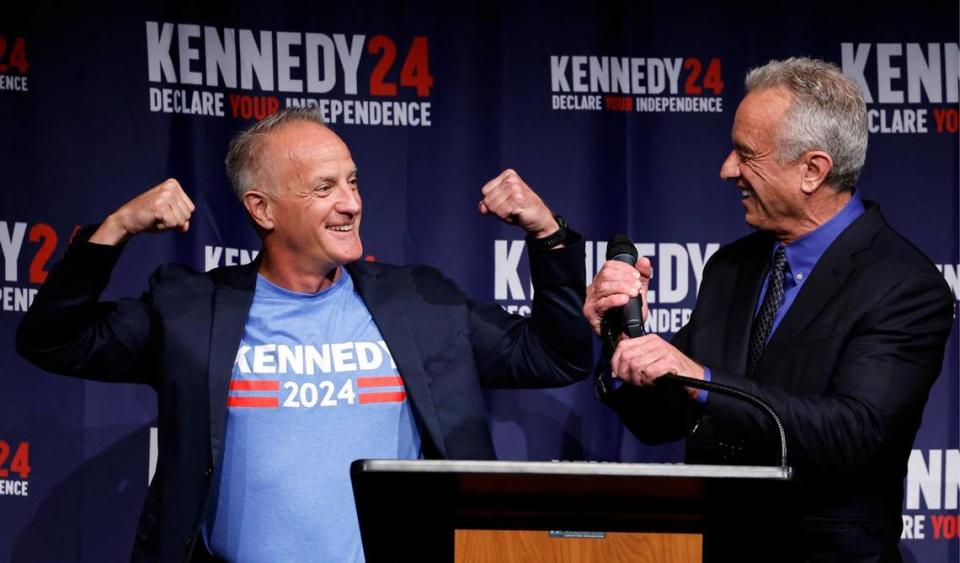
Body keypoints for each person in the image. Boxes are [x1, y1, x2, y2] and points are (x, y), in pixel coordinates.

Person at [16, 107, 593, 562]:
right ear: (262, 209)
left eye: (353, 181)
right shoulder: (191, 310)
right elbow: (53, 339)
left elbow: (554, 358)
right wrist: (113, 231)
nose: (351, 203)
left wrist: (546, 234)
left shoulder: (421, 301)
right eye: (324, 188)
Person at [584, 58, 953, 561]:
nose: (727, 169)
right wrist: (623, 339)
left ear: (812, 170)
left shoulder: (903, 285)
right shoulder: (731, 267)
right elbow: (662, 422)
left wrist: (698, 377)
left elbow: (855, 434)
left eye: (745, 153)